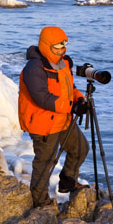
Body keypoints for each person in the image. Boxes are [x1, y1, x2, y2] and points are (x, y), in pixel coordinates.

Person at [18, 26, 89, 206]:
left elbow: (69, 88)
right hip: (43, 123)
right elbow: (42, 97)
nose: (61, 51)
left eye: (63, 47)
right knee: (45, 162)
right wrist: (71, 106)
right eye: (57, 48)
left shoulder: (64, 63)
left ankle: (67, 182)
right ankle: (39, 201)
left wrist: (79, 100)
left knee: (81, 148)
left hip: (62, 119)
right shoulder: (34, 68)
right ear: (45, 46)